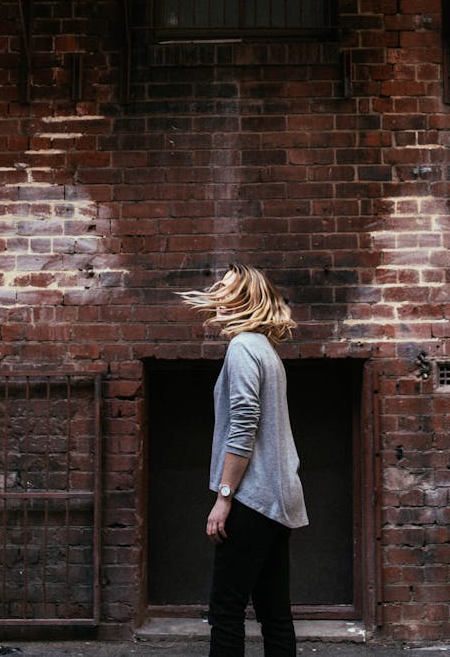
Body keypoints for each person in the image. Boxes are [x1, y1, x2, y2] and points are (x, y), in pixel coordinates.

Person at [179, 263, 308, 657]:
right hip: (279, 500)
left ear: (245, 299)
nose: (218, 293)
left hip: (252, 498)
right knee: (274, 612)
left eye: (228, 288)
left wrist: (224, 495)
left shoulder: (242, 348)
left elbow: (244, 426)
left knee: (226, 610)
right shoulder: (266, 351)